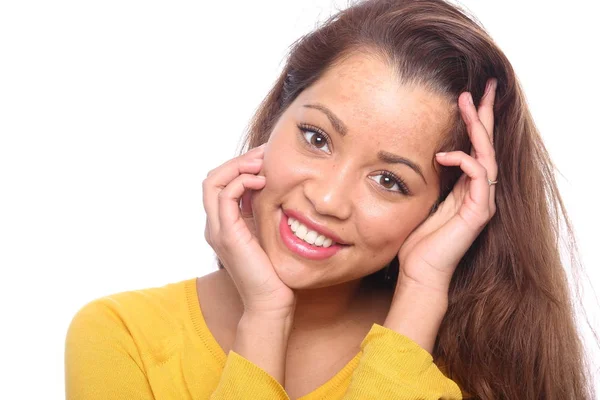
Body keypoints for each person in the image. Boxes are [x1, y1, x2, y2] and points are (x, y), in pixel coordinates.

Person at [65, 0, 594, 398]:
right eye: (317, 138)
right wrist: (266, 317)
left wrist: (421, 291)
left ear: (439, 210)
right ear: (276, 118)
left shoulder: (469, 370)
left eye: (390, 180)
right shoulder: (121, 335)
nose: (327, 198)